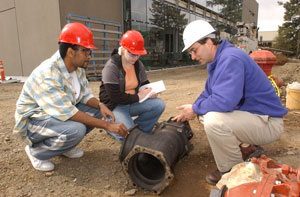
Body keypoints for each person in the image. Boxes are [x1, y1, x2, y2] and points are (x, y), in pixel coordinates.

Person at [173, 20, 288, 185]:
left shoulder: (230, 58)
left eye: (194, 50)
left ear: (210, 41)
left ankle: (233, 172)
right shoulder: (219, 60)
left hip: (269, 122)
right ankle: (246, 149)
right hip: (255, 117)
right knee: (204, 115)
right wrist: (191, 109)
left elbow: (225, 102)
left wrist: (196, 109)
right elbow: (208, 93)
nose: (193, 56)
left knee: (214, 122)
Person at [13, 23, 129, 172]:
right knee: (76, 130)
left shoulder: (77, 69)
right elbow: (69, 112)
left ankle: (64, 146)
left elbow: (85, 96)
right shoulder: (48, 73)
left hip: (55, 115)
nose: (89, 56)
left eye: (90, 51)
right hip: (34, 121)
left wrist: (101, 106)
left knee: (97, 112)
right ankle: (36, 152)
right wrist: (107, 125)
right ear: (70, 52)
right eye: (85, 51)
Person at [99, 30, 165, 142]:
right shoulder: (111, 67)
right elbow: (115, 97)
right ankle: (111, 128)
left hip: (132, 102)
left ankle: (139, 131)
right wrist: (139, 96)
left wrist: (150, 92)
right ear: (123, 49)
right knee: (128, 138)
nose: (135, 57)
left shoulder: (138, 64)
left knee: (159, 104)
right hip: (115, 105)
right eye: (132, 54)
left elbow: (144, 84)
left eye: (138, 54)